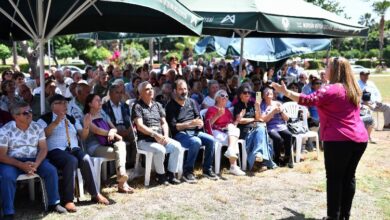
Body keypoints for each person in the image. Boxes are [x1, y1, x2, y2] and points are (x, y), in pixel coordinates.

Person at [272, 57, 368, 220]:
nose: (325, 69)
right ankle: (345, 216)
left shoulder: (331, 89)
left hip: (339, 139)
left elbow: (306, 100)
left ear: (335, 70)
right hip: (359, 138)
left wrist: (286, 92)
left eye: (328, 66)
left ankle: (333, 217)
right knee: (349, 177)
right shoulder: (353, 88)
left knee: (335, 178)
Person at [37, 95, 109, 212]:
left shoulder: (71, 119)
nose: (65, 105)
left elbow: (83, 136)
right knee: (71, 160)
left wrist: (86, 127)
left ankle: (95, 193)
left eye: (65, 102)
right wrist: (55, 122)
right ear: (52, 106)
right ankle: (68, 200)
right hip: (55, 150)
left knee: (86, 158)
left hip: (73, 148)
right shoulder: (44, 119)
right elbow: (42, 135)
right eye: (60, 103)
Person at [0, 101, 67, 219]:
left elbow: (43, 148)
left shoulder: (36, 126)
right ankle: (8, 211)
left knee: (51, 170)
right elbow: (2, 156)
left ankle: (54, 203)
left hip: (34, 159)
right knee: (7, 177)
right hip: (13, 161)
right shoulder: (5, 130)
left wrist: (36, 164)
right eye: (25, 113)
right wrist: (21, 165)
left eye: (30, 111)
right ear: (15, 116)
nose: (30, 114)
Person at [166, 79, 217, 183]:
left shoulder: (191, 102)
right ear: (175, 91)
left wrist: (200, 123)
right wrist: (189, 124)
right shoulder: (170, 106)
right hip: (180, 134)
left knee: (211, 140)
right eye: (180, 89)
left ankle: (207, 169)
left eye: (185, 89)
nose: (184, 91)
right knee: (196, 142)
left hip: (195, 132)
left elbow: (198, 117)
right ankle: (187, 171)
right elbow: (173, 127)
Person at [132, 82, 183, 185]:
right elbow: (140, 126)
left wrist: (166, 136)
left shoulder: (158, 105)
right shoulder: (137, 106)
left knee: (177, 146)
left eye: (151, 88)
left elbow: (164, 123)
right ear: (140, 93)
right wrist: (155, 135)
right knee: (160, 149)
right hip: (145, 140)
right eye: (147, 89)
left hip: (160, 137)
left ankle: (171, 174)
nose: (151, 90)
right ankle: (161, 176)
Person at [83, 94, 133, 193]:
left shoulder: (103, 113)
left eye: (100, 100)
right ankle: (123, 183)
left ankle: (121, 174)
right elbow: (96, 130)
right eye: (97, 100)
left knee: (121, 145)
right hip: (95, 147)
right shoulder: (87, 117)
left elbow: (114, 127)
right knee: (120, 152)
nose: (100, 102)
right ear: (90, 104)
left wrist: (112, 131)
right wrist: (110, 132)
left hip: (108, 143)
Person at [233, 84, 277, 171]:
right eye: (245, 92)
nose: (247, 94)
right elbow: (240, 120)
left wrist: (257, 107)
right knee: (261, 130)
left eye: (249, 93)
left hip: (254, 128)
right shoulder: (237, 106)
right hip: (244, 130)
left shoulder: (252, 104)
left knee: (261, 128)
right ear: (240, 94)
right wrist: (253, 119)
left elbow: (259, 118)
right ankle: (261, 161)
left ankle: (258, 158)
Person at [204, 90, 245, 176]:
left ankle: (230, 151)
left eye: (227, 96)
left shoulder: (227, 111)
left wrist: (238, 119)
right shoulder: (211, 109)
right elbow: (208, 124)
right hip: (216, 132)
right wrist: (217, 115)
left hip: (227, 133)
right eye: (223, 96)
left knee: (235, 130)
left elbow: (233, 125)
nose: (225, 98)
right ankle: (233, 166)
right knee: (234, 138)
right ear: (217, 98)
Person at [102, 84, 136, 167]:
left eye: (121, 92)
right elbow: (105, 124)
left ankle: (132, 163)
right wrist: (118, 132)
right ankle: (121, 166)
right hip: (113, 129)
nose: (120, 95)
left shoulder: (125, 106)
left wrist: (129, 130)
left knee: (136, 138)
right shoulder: (104, 107)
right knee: (119, 142)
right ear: (110, 94)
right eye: (117, 92)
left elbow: (130, 120)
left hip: (126, 128)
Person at [260, 87, 293, 168]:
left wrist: (281, 111)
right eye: (266, 92)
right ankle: (276, 158)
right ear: (263, 96)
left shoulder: (278, 103)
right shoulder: (262, 105)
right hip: (270, 127)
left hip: (281, 126)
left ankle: (287, 158)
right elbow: (264, 120)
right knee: (277, 138)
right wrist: (273, 112)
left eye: (271, 92)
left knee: (289, 135)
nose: (269, 93)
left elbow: (287, 118)